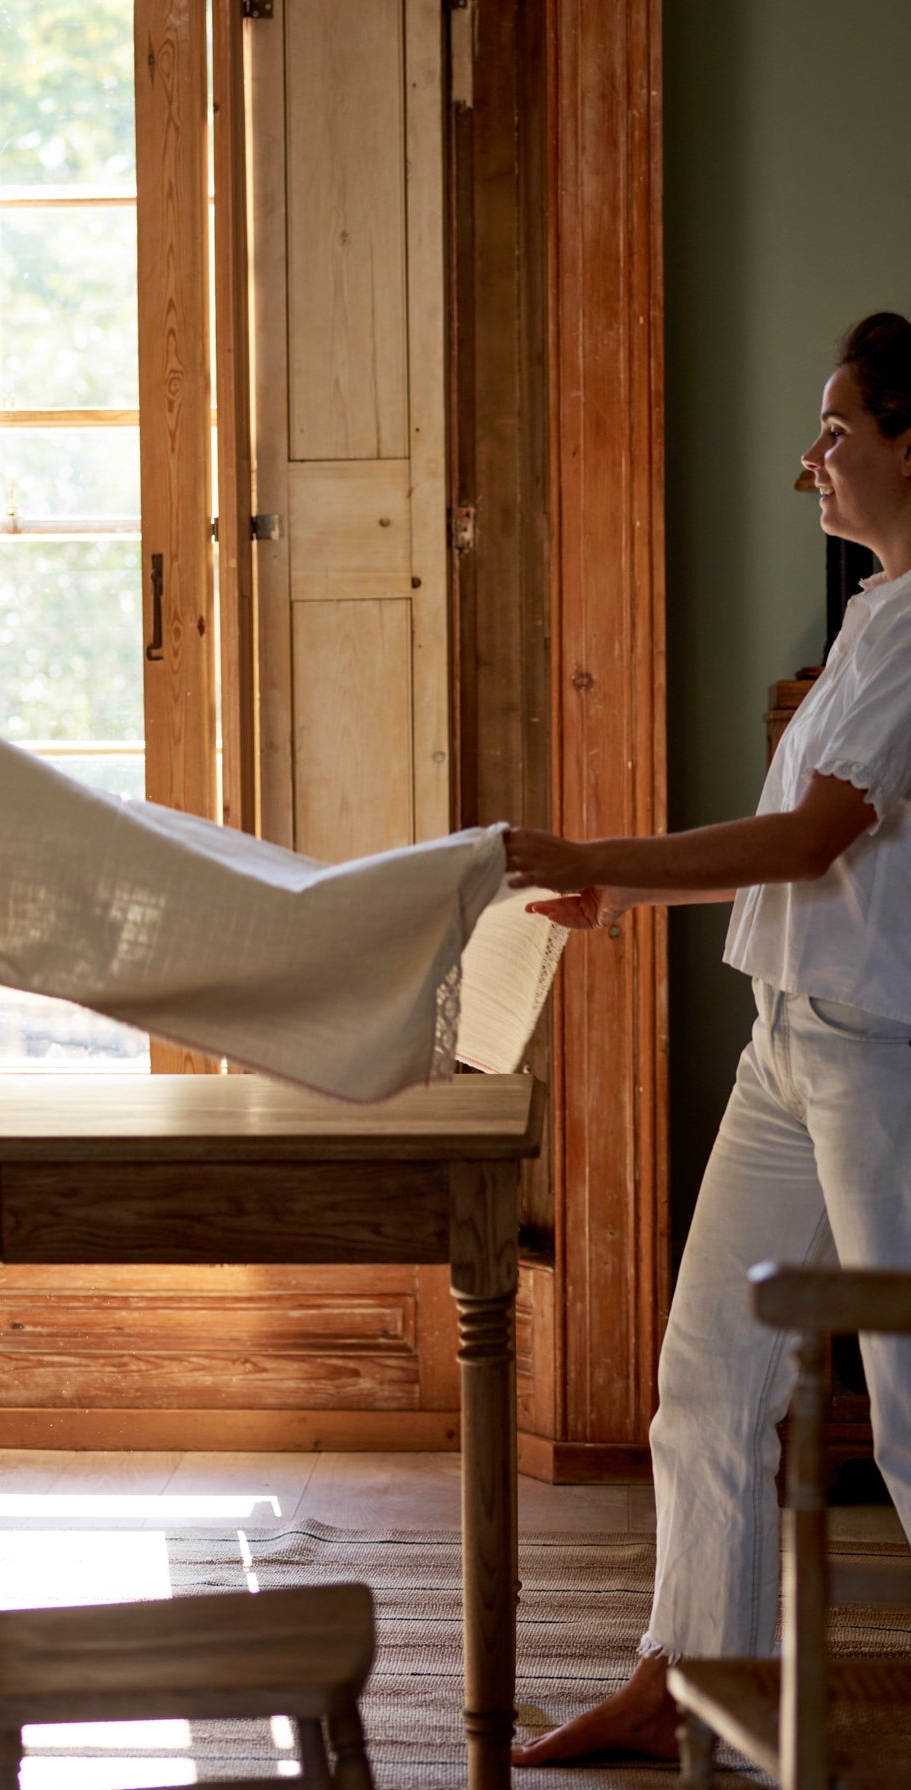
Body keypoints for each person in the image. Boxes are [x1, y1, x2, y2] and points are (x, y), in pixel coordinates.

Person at [502, 311, 911, 1765]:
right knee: (707, 1375)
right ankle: (683, 1678)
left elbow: (810, 842)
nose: (812, 463)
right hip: (787, 1048)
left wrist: (599, 848)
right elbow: (808, 849)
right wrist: (615, 880)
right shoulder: (874, 610)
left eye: (838, 432)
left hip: (885, 1064)